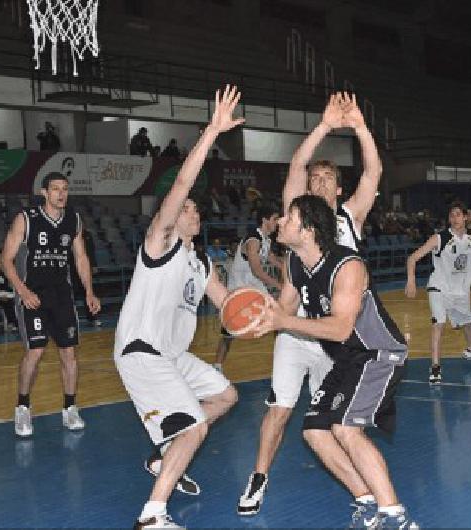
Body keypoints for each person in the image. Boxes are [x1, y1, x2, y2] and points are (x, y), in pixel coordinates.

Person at [237, 92, 384, 526]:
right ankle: (258, 478)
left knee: (333, 424)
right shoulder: (295, 215)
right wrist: (323, 126)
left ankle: (364, 494)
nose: (317, 182)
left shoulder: (350, 218)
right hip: (293, 329)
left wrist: (359, 127)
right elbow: (294, 169)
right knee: (279, 410)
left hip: (336, 338)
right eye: (314, 177)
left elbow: (373, 171)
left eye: (326, 178)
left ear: (338, 189)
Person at [114, 85, 244, 529]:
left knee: (226, 396)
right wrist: (211, 131)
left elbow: (230, 305)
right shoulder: (161, 241)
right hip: (141, 350)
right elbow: (184, 181)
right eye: (183, 206)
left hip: (170, 356)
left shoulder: (201, 262)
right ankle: (152, 515)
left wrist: (267, 316)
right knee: (194, 427)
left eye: (191, 209)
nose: (189, 210)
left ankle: (164, 455)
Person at [252, 194, 420, 530]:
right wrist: (256, 316)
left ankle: (395, 517)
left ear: (309, 229)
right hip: (346, 361)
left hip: (377, 354)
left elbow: (341, 327)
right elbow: (283, 310)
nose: (280, 222)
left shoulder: (348, 265)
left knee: (345, 428)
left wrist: (283, 323)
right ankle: (367, 500)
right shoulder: (294, 261)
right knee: (315, 432)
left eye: (289, 217)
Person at [0, 172, 101, 437]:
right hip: (33, 294)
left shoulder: (73, 220)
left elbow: (80, 258)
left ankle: (70, 408)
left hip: (62, 296)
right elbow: (5, 260)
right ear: (44, 192)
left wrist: (89, 291)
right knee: (35, 351)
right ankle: (22, 407)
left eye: (65, 189)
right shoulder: (26, 219)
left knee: (69, 353)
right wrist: (22, 291)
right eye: (55, 189)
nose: (61, 194)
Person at [404, 200, 471, 385]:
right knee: (438, 323)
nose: (454, 218)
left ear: (466, 217)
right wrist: (411, 280)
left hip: (460, 291)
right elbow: (412, 258)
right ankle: (435, 367)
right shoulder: (440, 238)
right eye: (451, 215)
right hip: (439, 287)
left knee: (468, 323)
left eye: (458, 214)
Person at [214, 204, 281, 371]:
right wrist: (280, 285)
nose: (278, 222)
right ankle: (217, 366)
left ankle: (284, 361)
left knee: (278, 319)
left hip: (255, 288)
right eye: (275, 219)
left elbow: (275, 261)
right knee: (229, 333)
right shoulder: (253, 240)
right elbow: (257, 271)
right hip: (239, 291)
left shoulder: (266, 240)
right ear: (265, 220)